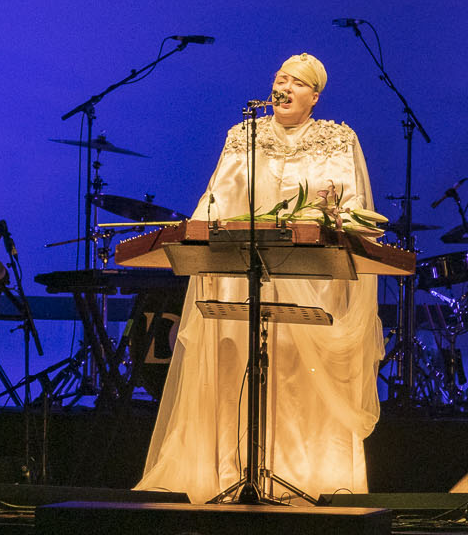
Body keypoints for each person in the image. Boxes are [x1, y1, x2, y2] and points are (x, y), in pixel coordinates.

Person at [136, 52, 385, 502]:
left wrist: (325, 219)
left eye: (296, 82)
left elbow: (347, 210)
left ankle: (305, 475)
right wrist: (195, 235)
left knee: (297, 373)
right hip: (241, 272)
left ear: (315, 95)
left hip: (306, 277)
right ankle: (233, 469)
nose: (284, 87)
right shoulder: (243, 135)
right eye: (280, 78)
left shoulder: (337, 139)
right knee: (238, 367)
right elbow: (215, 200)